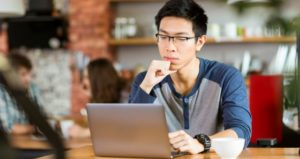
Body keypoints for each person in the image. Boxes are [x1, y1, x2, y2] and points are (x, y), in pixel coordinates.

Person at [128, 0, 251, 155]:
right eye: (164, 36)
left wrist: (201, 143)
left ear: (200, 42)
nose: (170, 47)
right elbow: (130, 137)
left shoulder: (226, 77)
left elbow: (241, 132)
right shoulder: (145, 80)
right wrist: (146, 86)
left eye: (181, 38)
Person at [68, 58, 124, 138]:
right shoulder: (105, 98)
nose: (84, 82)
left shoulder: (124, 96)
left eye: (87, 77)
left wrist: (84, 133)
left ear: (99, 79)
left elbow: (118, 128)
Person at [0, 52, 44, 135]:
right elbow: (9, 128)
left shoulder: (33, 88)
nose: (29, 79)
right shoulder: (1, 92)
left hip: (30, 143)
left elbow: (43, 120)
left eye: (29, 74)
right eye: (23, 74)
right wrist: (35, 128)